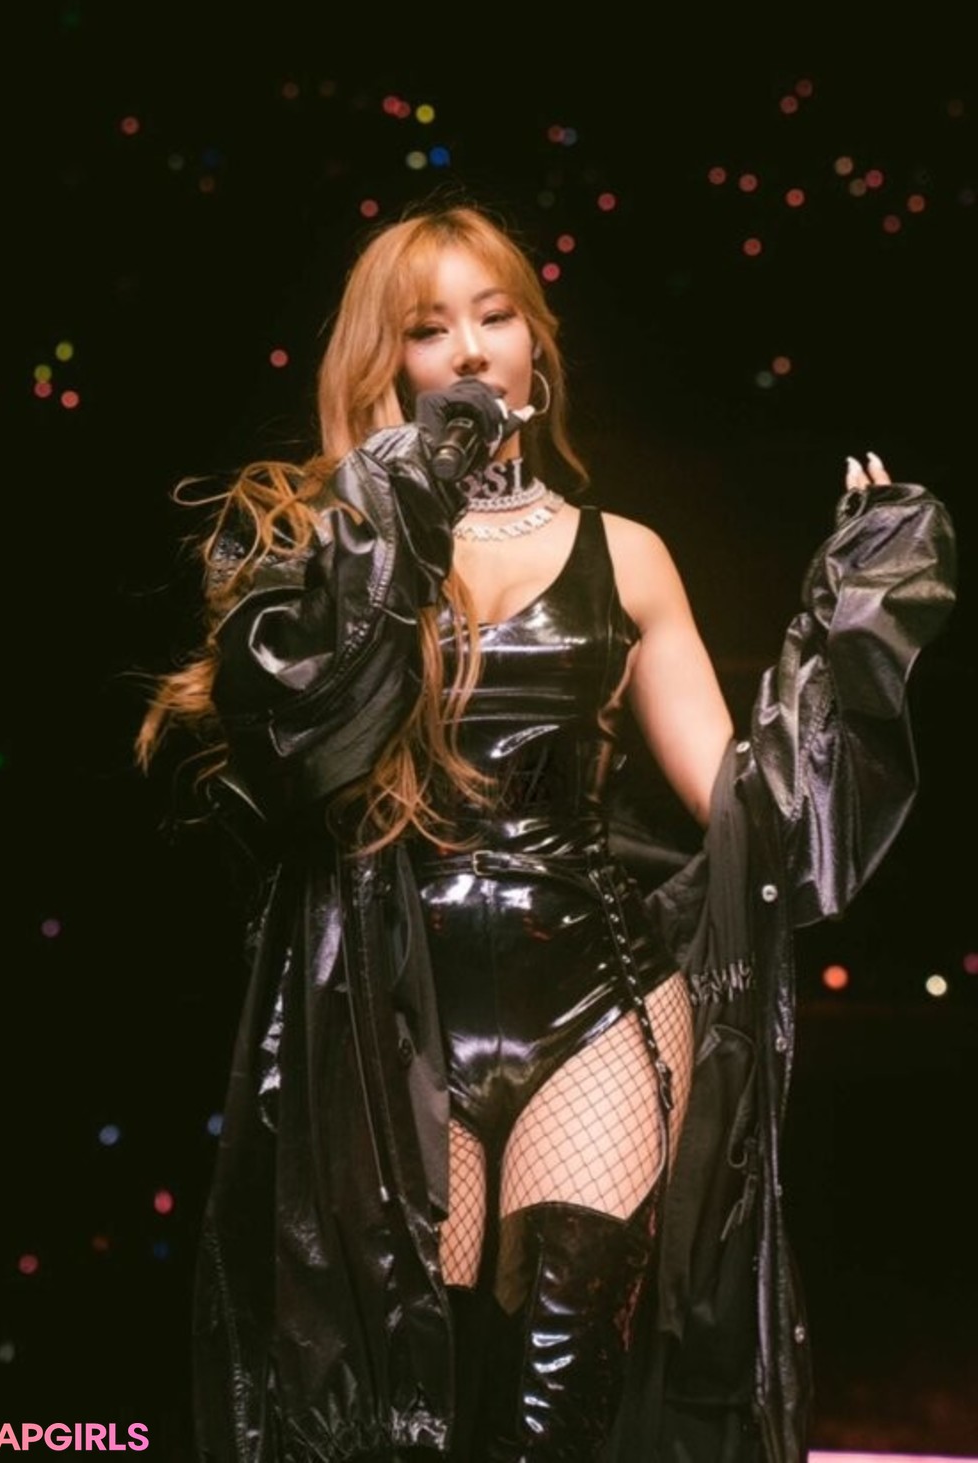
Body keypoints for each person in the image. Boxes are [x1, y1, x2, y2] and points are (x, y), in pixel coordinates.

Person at [137, 203, 956, 1463]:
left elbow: (756, 813)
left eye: (495, 313)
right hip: (395, 1013)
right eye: (429, 327)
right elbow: (295, 749)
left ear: (537, 346)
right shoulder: (320, 554)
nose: (470, 348)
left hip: (597, 1001)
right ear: (384, 363)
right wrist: (395, 512)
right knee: (429, 1402)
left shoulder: (628, 555)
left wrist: (854, 623)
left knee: (553, 1402)